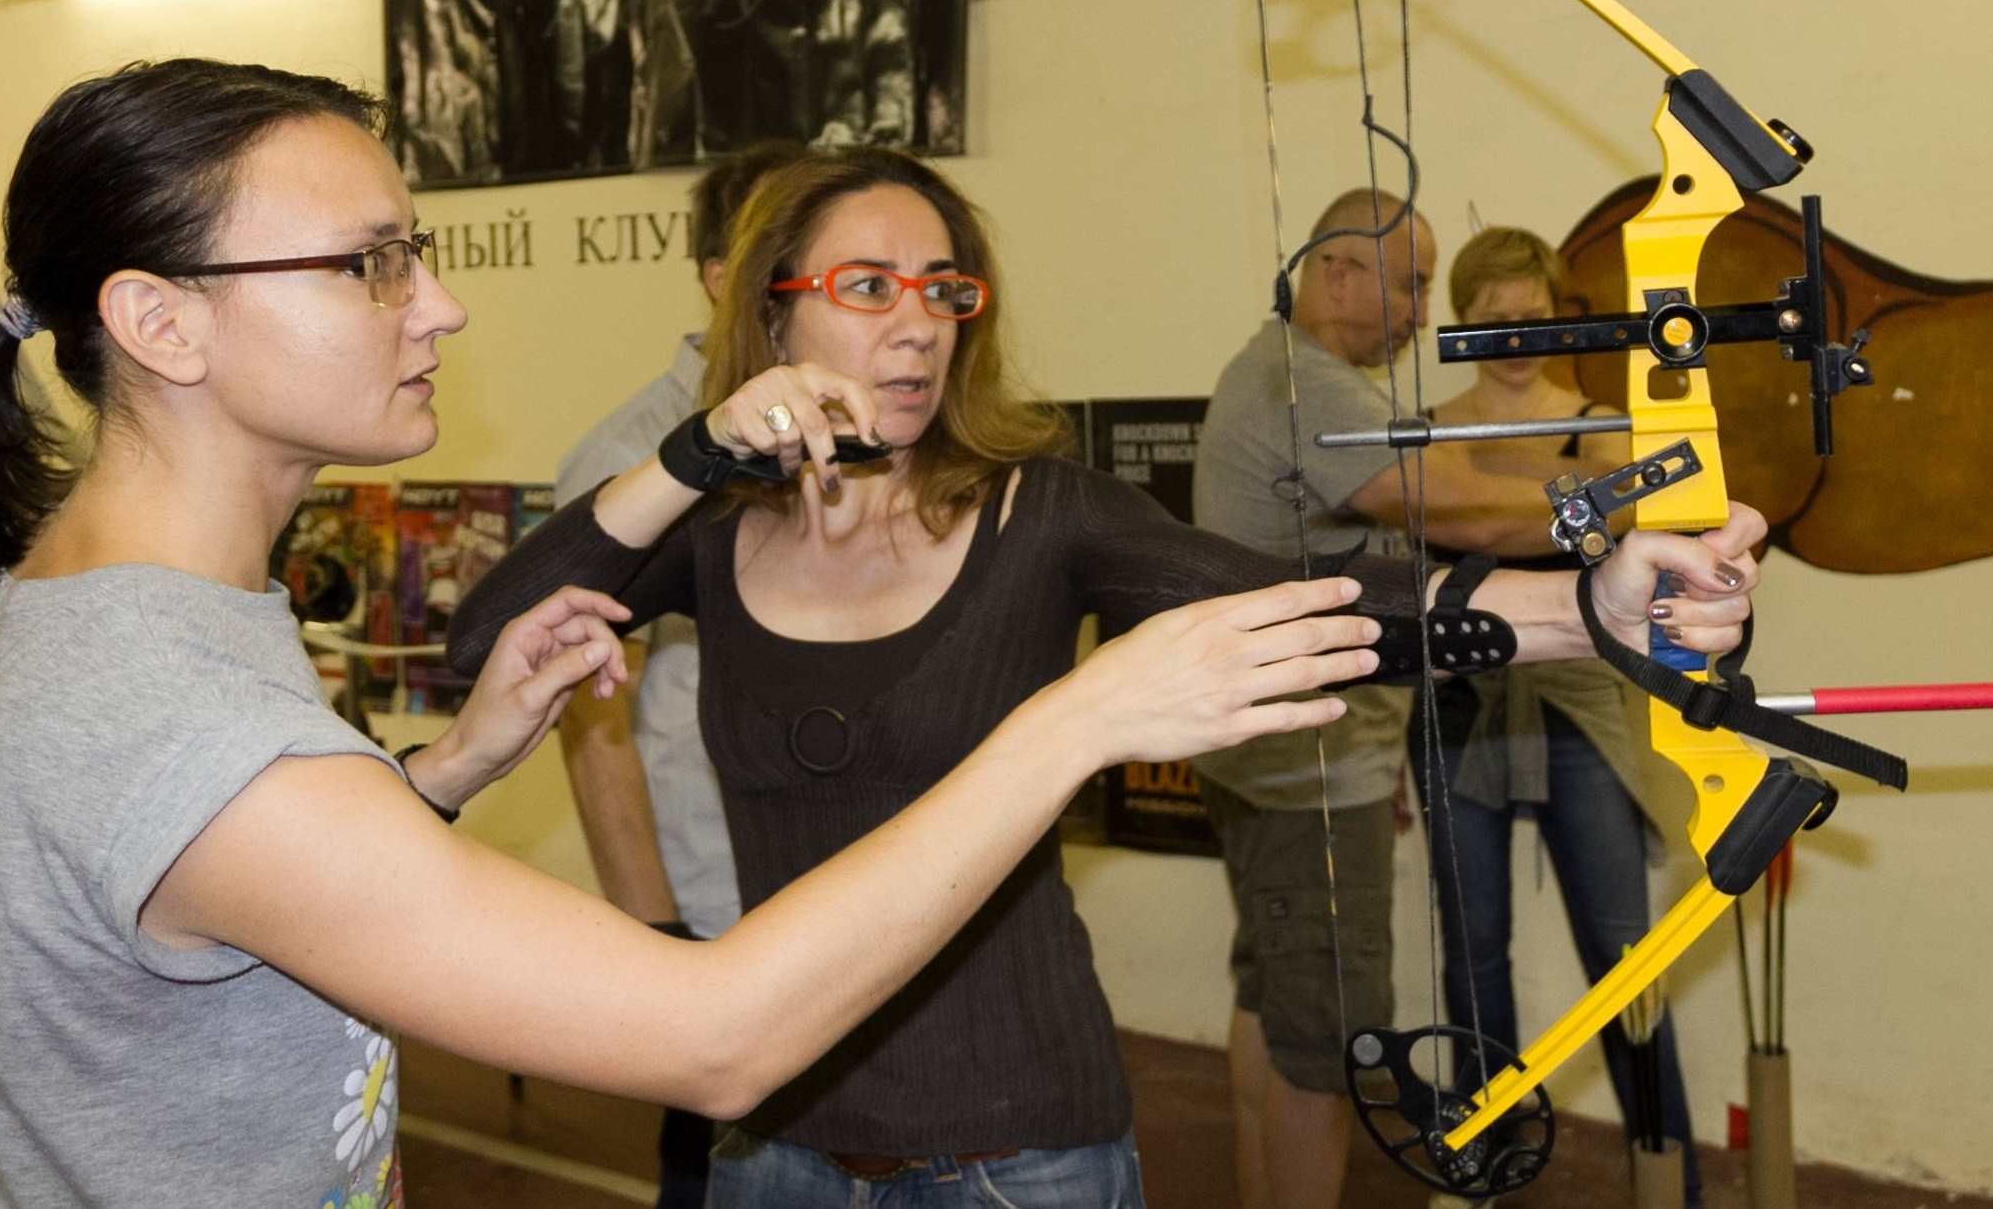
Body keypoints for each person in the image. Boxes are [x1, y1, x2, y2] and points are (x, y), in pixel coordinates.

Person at [0, 59, 1388, 1209]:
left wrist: (440, 773)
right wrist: (1080, 716)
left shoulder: (35, 604)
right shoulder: (186, 716)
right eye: (372, 264)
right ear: (160, 321)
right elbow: (718, 1038)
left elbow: (200, 884)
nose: (443, 309)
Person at [448, 149, 1764, 1208]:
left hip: (1022, 1152)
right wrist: (694, 452)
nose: (917, 324)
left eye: (944, 290)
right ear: (774, 302)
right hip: (770, 1147)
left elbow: (1322, 600)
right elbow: (487, 639)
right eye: (870, 286)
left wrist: (1586, 606)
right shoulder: (711, 539)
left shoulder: (1042, 514)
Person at [1191, 189, 1571, 1209]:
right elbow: (1450, 506)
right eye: (1406, 281)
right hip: (1302, 774)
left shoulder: (1298, 373)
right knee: (1331, 1043)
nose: (1417, 310)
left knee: (1274, 1002)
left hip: (1290, 759)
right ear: (1337, 273)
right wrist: (1619, 502)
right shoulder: (1304, 383)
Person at [1409, 225, 1703, 1209]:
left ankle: (1673, 1182)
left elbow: (1549, 523)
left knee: (1627, 961)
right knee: (1473, 956)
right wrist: (1561, 504)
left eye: (1530, 318)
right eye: (1492, 321)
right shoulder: (1423, 425)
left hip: (1581, 708)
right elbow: (1519, 522)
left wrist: (1466, 503)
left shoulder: (1601, 422)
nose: (1515, 337)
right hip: (1456, 705)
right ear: (1460, 322)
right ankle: (1480, 1168)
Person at [553, 136, 804, 1209]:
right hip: (715, 903)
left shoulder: (877, 441)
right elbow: (588, 715)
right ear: (716, 275)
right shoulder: (626, 459)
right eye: (779, 259)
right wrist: (650, 926)